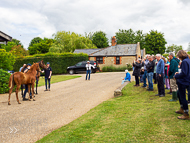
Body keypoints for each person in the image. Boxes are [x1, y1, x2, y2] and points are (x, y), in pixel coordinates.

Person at [174, 50, 190, 120]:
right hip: (187, 80)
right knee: (178, 94)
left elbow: (184, 73)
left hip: (184, 81)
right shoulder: (188, 60)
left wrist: (176, 76)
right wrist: (179, 73)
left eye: (178, 56)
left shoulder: (184, 61)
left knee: (182, 97)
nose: (178, 57)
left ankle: (186, 113)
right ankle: (182, 108)